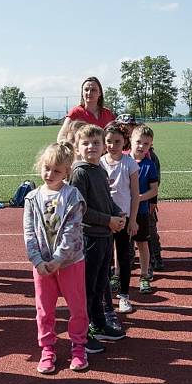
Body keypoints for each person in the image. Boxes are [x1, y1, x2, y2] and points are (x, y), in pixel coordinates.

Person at [24, 142, 89, 373]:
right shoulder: (32, 198)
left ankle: (79, 346)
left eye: (57, 170)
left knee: (77, 307)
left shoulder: (72, 196)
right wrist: (37, 261)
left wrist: (58, 259)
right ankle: (47, 349)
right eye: (46, 168)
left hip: (70, 263)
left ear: (67, 172)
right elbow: (29, 232)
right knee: (44, 310)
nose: (50, 174)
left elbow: (72, 231)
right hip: (42, 266)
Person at [69, 124, 127, 354]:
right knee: (88, 287)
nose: (91, 147)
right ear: (77, 147)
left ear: (103, 146)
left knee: (101, 282)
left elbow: (107, 199)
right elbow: (80, 209)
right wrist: (108, 220)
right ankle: (85, 332)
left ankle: (99, 322)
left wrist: (118, 213)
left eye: (96, 143)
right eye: (86, 143)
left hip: (104, 235)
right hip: (89, 236)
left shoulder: (99, 170)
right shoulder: (80, 172)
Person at [101, 122, 140, 314]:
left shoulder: (129, 163)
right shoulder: (99, 163)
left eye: (117, 141)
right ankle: (104, 296)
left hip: (123, 219)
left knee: (124, 257)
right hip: (105, 220)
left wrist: (133, 220)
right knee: (104, 259)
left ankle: (124, 295)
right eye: (108, 141)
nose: (112, 145)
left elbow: (135, 194)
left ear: (124, 141)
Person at [130, 125, 160, 295]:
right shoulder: (123, 160)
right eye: (138, 142)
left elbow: (154, 190)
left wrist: (139, 198)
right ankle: (118, 275)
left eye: (146, 144)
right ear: (131, 141)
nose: (141, 146)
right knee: (119, 245)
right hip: (122, 212)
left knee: (142, 243)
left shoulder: (149, 165)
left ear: (150, 146)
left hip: (140, 211)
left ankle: (144, 276)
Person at [57, 77, 116, 142]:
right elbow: (61, 137)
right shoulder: (75, 112)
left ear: (100, 93)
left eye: (93, 90)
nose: (89, 92)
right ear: (82, 93)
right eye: (86, 89)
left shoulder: (108, 114)